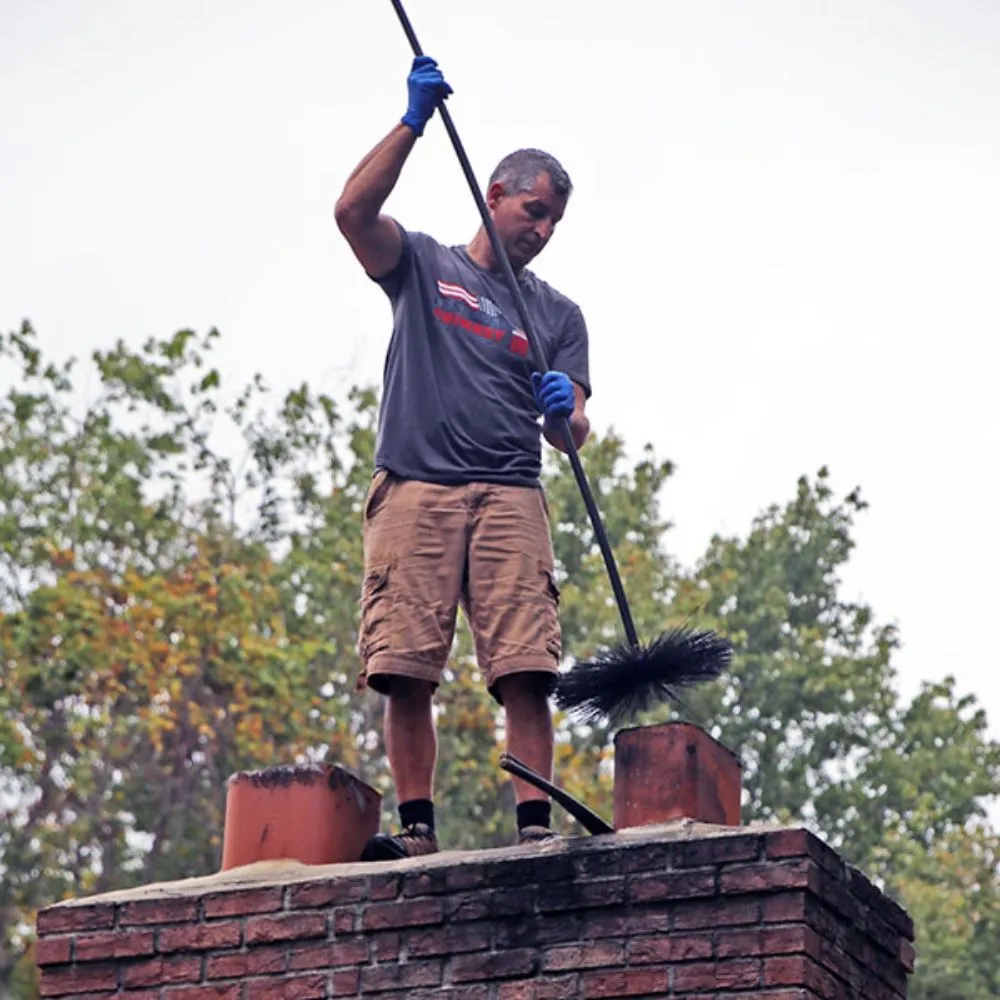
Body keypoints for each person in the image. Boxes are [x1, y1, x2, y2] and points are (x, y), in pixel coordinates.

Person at [334, 54, 591, 860]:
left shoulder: (557, 313)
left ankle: (535, 831)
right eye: (534, 210)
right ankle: (416, 832)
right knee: (405, 665)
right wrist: (411, 122)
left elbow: (573, 428)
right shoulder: (424, 265)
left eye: (553, 222)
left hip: (512, 493)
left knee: (526, 666)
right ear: (496, 194)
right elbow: (350, 213)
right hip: (416, 487)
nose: (541, 230)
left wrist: (565, 414)